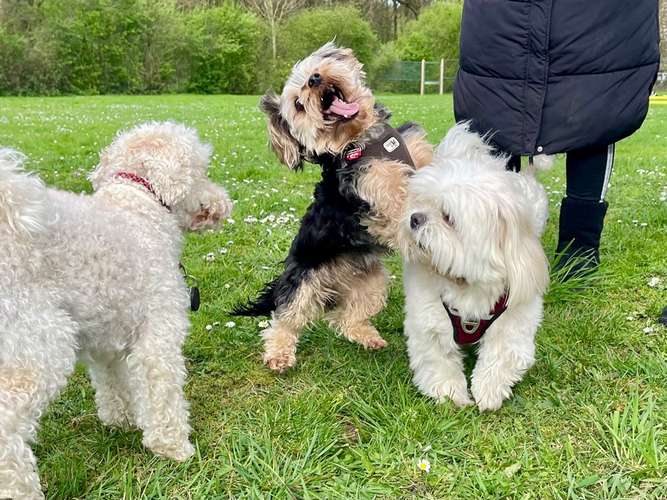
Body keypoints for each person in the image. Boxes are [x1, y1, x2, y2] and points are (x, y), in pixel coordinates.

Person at [453, 0, 660, 279]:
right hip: (505, 19)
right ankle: (496, 236)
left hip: (596, 19)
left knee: (595, 110)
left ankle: (579, 247)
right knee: (497, 106)